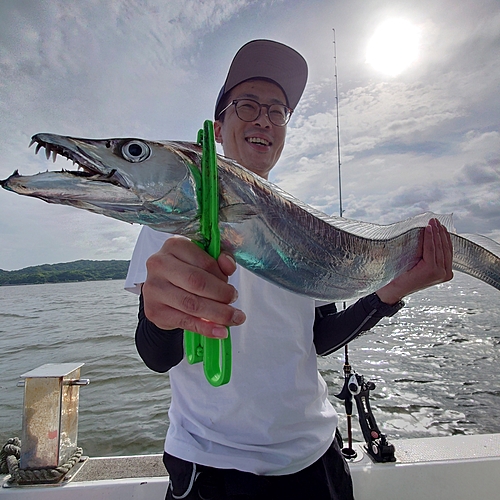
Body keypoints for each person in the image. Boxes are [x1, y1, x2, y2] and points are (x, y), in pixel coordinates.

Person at [125, 39, 453, 500]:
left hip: (315, 457)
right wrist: (160, 313)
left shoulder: (308, 228)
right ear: (217, 130)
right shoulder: (172, 220)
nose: (264, 118)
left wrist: (389, 294)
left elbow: (317, 339)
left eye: (277, 111)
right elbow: (157, 357)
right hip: (213, 466)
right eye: (248, 105)